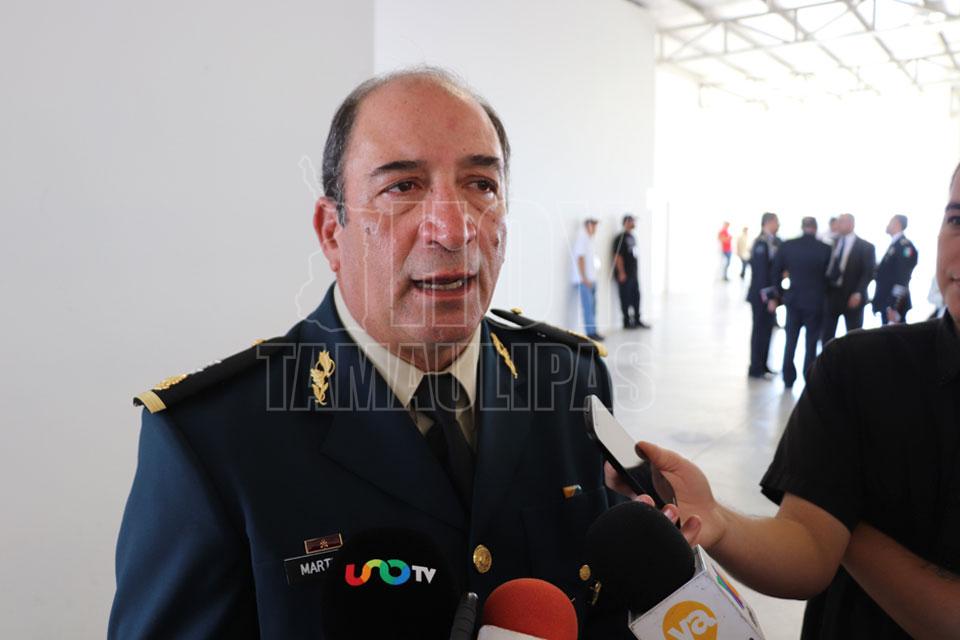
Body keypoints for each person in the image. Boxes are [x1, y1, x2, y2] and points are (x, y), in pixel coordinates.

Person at [110, 69, 630, 639]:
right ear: (331, 233)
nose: (453, 229)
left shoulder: (569, 379)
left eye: (481, 184)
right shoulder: (213, 441)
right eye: (402, 187)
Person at [613, 162, 960, 638]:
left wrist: (847, 525)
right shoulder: (857, 370)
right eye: (957, 219)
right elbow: (808, 547)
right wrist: (717, 519)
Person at [770, 217, 831, 387]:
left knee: (790, 340)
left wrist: (781, 295)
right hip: (815, 301)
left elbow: (776, 271)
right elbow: (831, 276)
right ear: (815, 228)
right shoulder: (825, 248)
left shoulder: (788, 245)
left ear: (802, 227)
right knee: (811, 342)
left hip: (793, 300)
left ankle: (788, 377)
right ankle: (809, 375)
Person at [822, 213, 876, 343]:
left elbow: (868, 272)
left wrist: (858, 293)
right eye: (838, 221)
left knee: (854, 336)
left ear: (851, 224)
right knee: (827, 334)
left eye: (842, 222)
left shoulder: (866, 247)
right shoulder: (830, 243)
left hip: (852, 296)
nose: (838, 225)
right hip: (832, 295)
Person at [746, 212, 781, 379]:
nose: (778, 225)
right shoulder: (761, 243)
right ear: (768, 222)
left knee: (767, 330)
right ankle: (756, 367)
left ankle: (763, 365)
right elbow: (761, 275)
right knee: (760, 331)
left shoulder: (772, 241)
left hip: (768, 296)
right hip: (761, 297)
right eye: (776, 222)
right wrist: (770, 298)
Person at [873, 214, 918, 325]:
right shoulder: (894, 245)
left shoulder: (904, 246)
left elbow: (903, 277)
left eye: (890, 222)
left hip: (893, 306)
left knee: (895, 335)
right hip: (886, 302)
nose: (887, 225)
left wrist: (894, 306)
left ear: (897, 223)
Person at [612, 214, 649, 330]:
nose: (634, 223)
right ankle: (627, 322)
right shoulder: (620, 238)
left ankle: (637, 320)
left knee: (636, 297)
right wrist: (621, 272)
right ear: (626, 222)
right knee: (625, 298)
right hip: (625, 275)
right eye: (632, 221)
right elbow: (617, 256)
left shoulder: (632, 237)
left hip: (633, 274)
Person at [572, 217, 604, 340]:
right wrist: (584, 278)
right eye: (594, 225)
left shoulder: (590, 240)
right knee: (588, 307)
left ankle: (594, 330)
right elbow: (580, 258)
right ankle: (590, 333)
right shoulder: (582, 239)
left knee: (593, 307)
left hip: (592, 279)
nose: (595, 228)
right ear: (588, 225)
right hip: (585, 281)